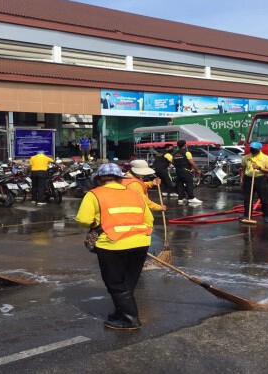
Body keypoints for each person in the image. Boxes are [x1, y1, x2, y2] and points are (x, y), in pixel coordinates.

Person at [75, 163, 153, 330]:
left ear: (98, 179)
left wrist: (96, 224)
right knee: (128, 281)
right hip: (141, 242)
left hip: (112, 243)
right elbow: (149, 220)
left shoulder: (94, 194)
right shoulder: (135, 194)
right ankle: (120, 313)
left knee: (115, 282)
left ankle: (129, 320)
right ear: (120, 178)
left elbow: (82, 219)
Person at [240, 142, 268, 223]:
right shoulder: (246, 157)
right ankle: (247, 215)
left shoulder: (266, 158)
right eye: (251, 148)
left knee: (264, 198)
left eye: (254, 149)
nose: (252, 150)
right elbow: (243, 169)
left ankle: (267, 215)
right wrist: (241, 180)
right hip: (248, 179)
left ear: (259, 149)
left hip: (260, 179)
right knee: (247, 199)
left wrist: (259, 168)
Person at [171, 140, 201, 204]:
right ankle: (191, 198)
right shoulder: (187, 153)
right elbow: (192, 162)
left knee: (180, 184)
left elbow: (172, 162)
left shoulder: (174, 153)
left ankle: (181, 198)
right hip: (186, 170)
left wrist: (178, 167)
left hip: (178, 171)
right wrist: (197, 169)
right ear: (185, 145)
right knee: (189, 184)